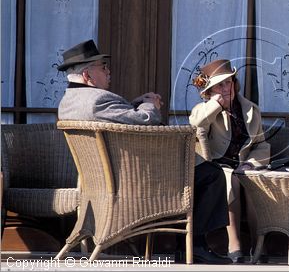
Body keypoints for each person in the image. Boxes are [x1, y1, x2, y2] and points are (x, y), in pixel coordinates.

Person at [57, 39, 231, 264]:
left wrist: (135, 103)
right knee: (212, 174)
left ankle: (187, 246)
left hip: (105, 178)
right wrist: (150, 104)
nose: (108, 71)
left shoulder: (69, 101)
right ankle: (196, 245)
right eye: (103, 67)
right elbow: (147, 121)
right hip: (135, 179)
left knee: (202, 173)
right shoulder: (99, 100)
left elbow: (115, 119)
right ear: (88, 76)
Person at [189, 59, 271, 264]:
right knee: (231, 180)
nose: (226, 88)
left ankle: (257, 245)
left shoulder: (251, 110)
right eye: (220, 85)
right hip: (217, 167)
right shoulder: (204, 109)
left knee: (253, 183)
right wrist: (215, 105)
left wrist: (251, 163)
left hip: (246, 165)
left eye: (229, 82)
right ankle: (234, 246)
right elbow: (195, 123)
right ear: (209, 91)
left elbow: (261, 144)